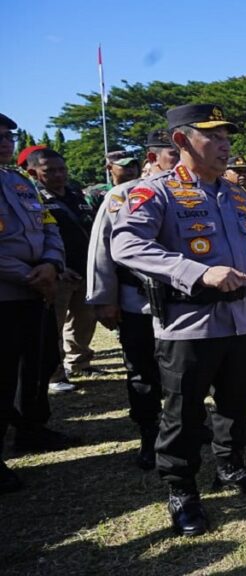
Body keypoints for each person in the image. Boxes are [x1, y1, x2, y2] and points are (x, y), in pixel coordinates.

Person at [111, 104, 246, 536]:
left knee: (236, 404)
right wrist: (198, 272)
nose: (225, 145)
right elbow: (126, 246)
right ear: (181, 141)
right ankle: (182, 490)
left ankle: (232, 466)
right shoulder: (156, 192)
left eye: (227, 137)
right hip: (188, 325)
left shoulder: (239, 195)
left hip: (240, 321)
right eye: (213, 136)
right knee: (183, 413)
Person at [86, 129, 180, 470]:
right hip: (137, 302)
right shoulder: (122, 194)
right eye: (173, 155)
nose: (180, 162)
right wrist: (103, 298)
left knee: (183, 372)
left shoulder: (191, 194)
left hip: (182, 304)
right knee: (142, 372)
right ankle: (148, 433)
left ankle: (183, 429)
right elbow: (102, 249)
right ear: (152, 158)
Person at [0, 112, 66, 491]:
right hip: (7, 293)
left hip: (35, 291)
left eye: (8, 134)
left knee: (38, 364)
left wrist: (51, 263)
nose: (6, 140)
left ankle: (32, 429)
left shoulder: (21, 182)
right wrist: (29, 274)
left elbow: (48, 227)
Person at [27, 148, 104, 393]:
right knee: (53, 327)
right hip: (58, 273)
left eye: (62, 169)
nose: (59, 175)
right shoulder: (34, 199)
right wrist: (58, 268)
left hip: (85, 271)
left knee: (85, 320)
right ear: (33, 172)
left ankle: (80, 362)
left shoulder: (75, 195)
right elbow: (39, 238)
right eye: (50, 171)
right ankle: (54, 375)